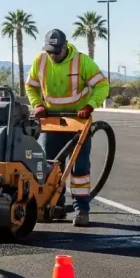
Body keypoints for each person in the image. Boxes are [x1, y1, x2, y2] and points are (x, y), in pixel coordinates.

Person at [25, 29, 109, 227]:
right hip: (52, 121)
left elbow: (102, 85)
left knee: (79, 168)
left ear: (65, 47)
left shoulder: (82, 61)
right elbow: (31, 86)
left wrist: (90, 105)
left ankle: (82, 211)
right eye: (50, 51)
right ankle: (56, 207)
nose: (53, 55)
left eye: (56, 51)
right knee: (49, 166)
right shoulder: (40, 60)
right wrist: (38, 105)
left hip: (78, 122)